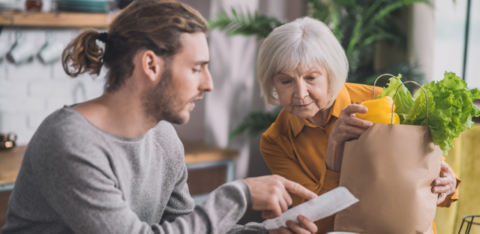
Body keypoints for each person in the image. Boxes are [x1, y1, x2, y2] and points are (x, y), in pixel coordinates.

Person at [1, 1, 320, 234]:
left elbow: (184, 228)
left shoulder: (163, 138)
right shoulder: (71, 142)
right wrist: (240, 194)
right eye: (196, 68)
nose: (208, 84)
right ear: (151, 65)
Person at [256, 17, 461, 234]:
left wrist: (447, 184)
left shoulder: (386, 102)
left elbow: (428, 175)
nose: (300, 93)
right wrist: (334, 150)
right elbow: (314, 220)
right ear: (272, 83)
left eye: (311, 78)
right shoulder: (275, 141)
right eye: (286, 81)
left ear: (330, 73)